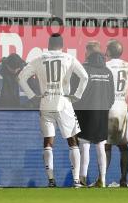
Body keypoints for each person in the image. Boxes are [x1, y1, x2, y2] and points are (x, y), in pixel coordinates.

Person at [17, 33, 89, 188]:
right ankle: (76, 181)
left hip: (46, 102)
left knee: (48, 141)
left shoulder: (39, 59)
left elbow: (21, 78)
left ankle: (51, 180)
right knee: (72, 141)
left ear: (48, 45)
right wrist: (77, 95)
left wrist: (32, 96)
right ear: (61, 46)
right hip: (64, 102)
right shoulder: (69, 58)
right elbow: (84, 77)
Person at [73, 50, 115, 187]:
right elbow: (112, 97)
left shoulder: (84, 70)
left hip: (85, 111)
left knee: (84, 145)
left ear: (89, 58)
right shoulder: (108, 72)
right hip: (103, 112)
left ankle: (82, 178)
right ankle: (102, 179)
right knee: (101, 145)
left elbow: (77, 93)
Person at [104, 39, 128, 187]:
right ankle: (123, 180)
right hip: (122, 106)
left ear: (109, 51)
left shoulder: (106, 66)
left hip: (108, 106)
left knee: (106, 145)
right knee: (123, 146)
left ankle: (102, 178)